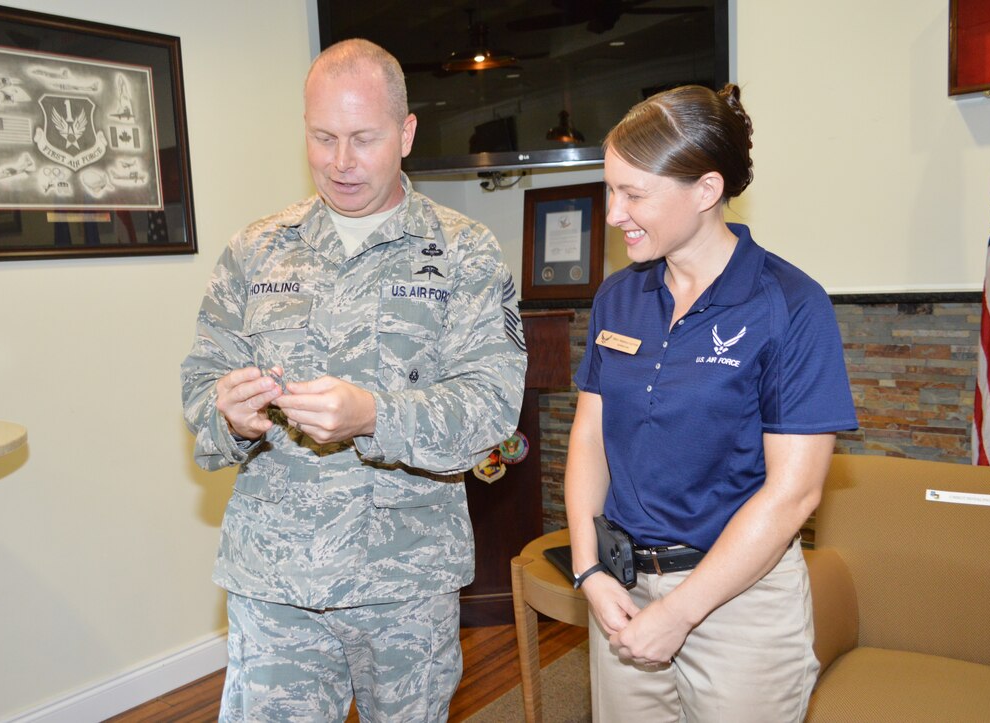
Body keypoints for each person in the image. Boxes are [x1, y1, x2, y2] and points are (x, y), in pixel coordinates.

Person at [180, 38, 526, 722]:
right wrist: (228, 414)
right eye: (322, 137)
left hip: (405, 585)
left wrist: (374, 415)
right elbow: (200, 383)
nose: (340, 162)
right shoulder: (256, 248)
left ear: (405, 133)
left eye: (363, 139)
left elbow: (490, 410)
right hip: (273, 583)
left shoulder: (463, 252)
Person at [564, 83, 857, 722]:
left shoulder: (790, 304)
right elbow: (590, 436)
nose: (613, 213)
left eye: (634, 193)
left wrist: (681, 611)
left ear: (705, 190)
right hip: (623, 586)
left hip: (738, 602)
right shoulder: (618, 297)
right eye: (611, 189)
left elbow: (795, 494)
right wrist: (590, 570)